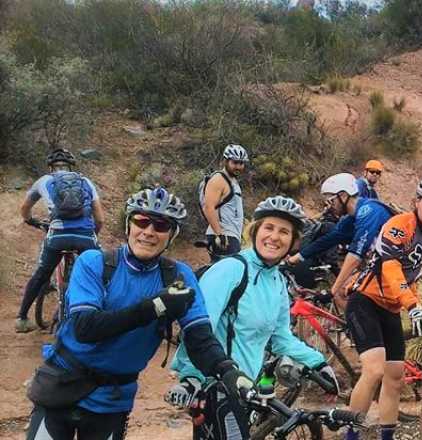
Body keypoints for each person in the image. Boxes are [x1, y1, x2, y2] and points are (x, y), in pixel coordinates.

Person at [25, 188, 250, 440]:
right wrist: (155, 306)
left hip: (112, 400)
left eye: (161, 225)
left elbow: (200, 339)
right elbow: (85, 328)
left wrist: (228, 370)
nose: (149, 231)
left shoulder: (179, 276)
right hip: (62, 387)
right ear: (128, 225)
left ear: (172, 235)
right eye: (141, 221)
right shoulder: (94, 263)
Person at [167, 196, 338, 439]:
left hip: (247, 388)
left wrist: (318, 362)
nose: (274, 237)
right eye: (268, 227)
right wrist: (191, 376)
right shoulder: (230, 270)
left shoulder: (277, 281)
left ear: (293, 242)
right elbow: (198, 329)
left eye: (284, 232)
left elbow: (280, 338)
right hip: (216, 386)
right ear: (256, 231)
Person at [340, 177, 422, 440]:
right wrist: (411, 306)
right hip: (364, 301)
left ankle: (387, 436)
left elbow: (413, 278)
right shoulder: (399, 226)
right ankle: (351, 435)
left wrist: (418, 307)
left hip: (390, 307)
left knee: (395, 377)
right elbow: (391, 267)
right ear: (416, 202)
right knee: (375, 370)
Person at [17, 148, 104, 333]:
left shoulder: (44, 181)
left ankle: (22, 318)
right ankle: (103, 313)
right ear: (71, 167)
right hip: (86, 237)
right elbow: (100, 219)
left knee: (41, 274)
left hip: (57, 236)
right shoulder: (86, 182)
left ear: (51, 168)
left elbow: (25, 208)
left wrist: (30, 220)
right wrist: (93, 234)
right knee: (99, 273)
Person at [284, 173, 393, 302]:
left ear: (343, 196)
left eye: (331, 200)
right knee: (345, 290)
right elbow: (328, 240)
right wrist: (294, 259)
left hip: (397, 268)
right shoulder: (351, 217)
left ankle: (356, 322)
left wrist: (332, 291)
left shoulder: (368, 211)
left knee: (342, 292)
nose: (330, 206)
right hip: (381, 264)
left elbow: (355, 256)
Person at [200, 144, 248, 262]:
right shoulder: (218, 180)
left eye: (241, 163)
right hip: (224, 236)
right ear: (225, 161)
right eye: (235, 162)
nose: (238, 166)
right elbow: (208, 207)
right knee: (229, 275)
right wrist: (219, 234)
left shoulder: (232, 180)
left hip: (232, 235)